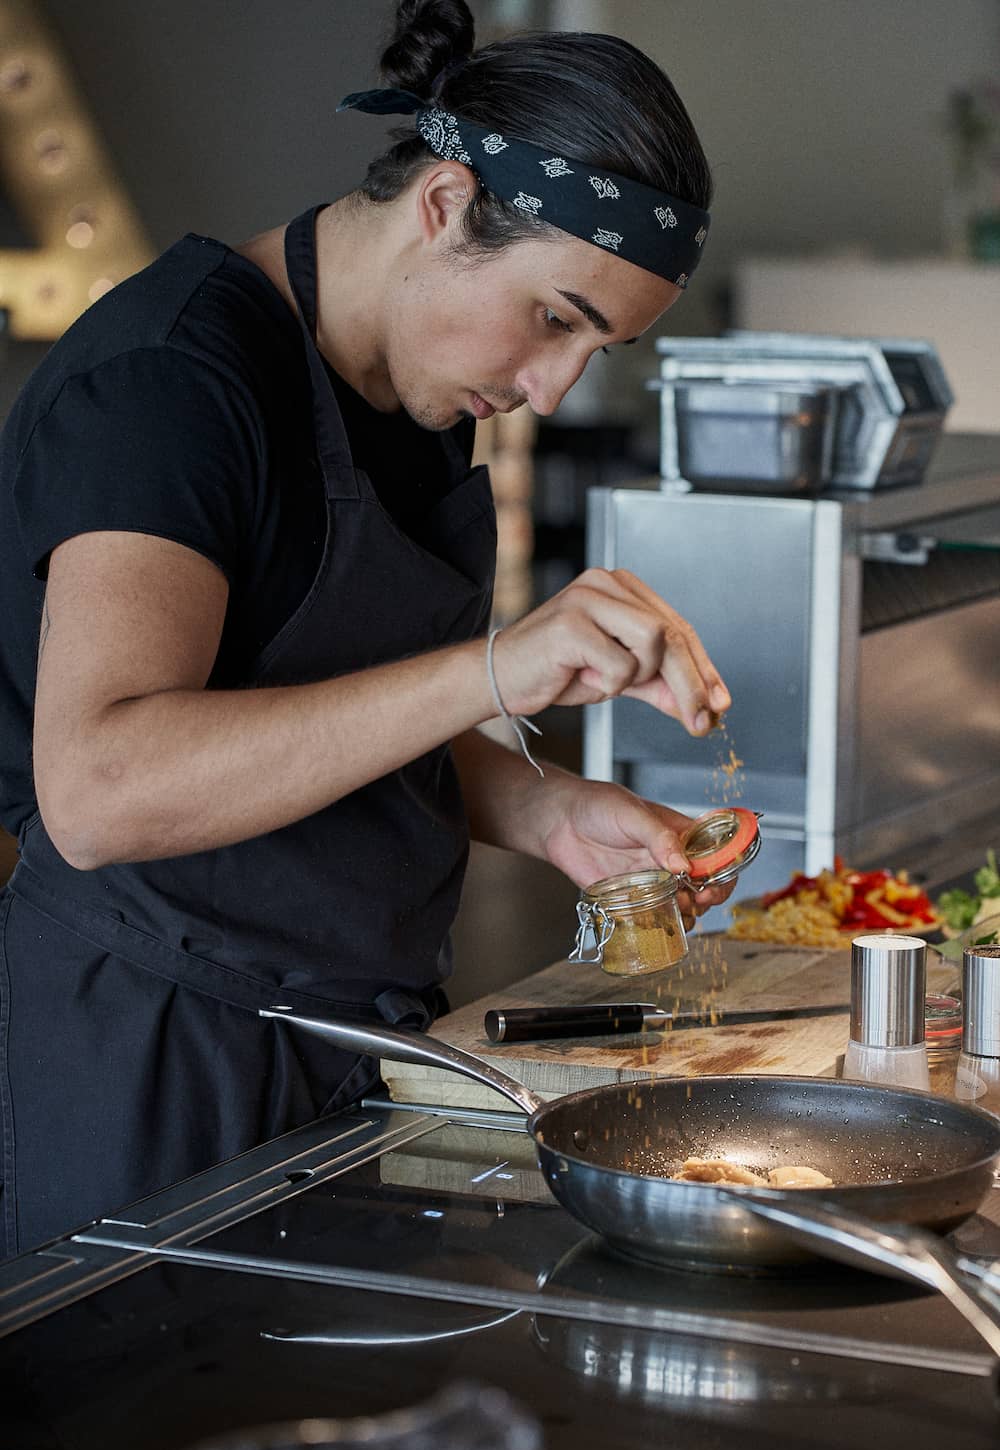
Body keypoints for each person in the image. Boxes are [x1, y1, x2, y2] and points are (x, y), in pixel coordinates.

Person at [0, 0, 731, 1257]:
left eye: (593, 346)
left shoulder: (418, 392)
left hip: (346, 1039)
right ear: (444, 204)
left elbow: (315, 710)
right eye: (555, 319)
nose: (550, 389)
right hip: (153, 1055)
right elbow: (102, 786)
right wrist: (494, 666)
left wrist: (544, 811)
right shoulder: (170, 385)